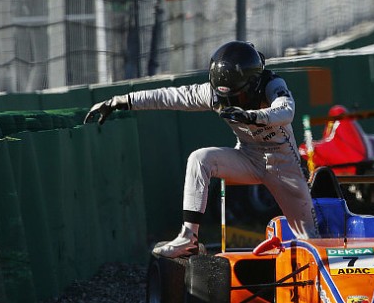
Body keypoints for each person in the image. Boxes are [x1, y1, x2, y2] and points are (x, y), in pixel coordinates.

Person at [84, 41, 319, 258]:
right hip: (248, 156)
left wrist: (251, 116)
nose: (229, 103)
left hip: (282, 163)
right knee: (200, 158)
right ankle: (188, 237)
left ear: (254, 83)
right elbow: (169, 96)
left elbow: (286, 111)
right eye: (223, 96)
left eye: (238, 96)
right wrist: (118, 101)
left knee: (311, 239)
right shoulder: (214, 93)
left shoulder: (273, 84)